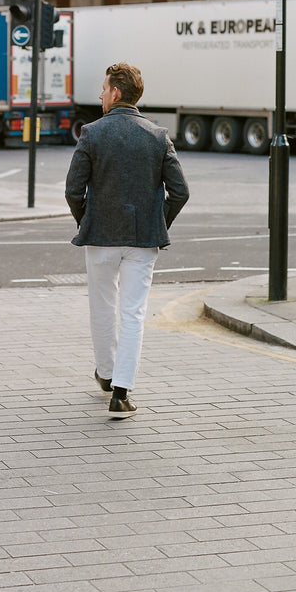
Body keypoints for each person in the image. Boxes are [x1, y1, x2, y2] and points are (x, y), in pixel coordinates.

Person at [65, 62, 190, 419]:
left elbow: (73, 190)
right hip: (142, 239)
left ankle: (105, 374)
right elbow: (179, 192)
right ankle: (121, 392)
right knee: (133, 312)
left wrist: (87, 219)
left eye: (103, 89)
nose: (100, 95)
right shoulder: (157, 135)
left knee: (102, 305)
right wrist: (156, 223)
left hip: (100, 236)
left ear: (115, 93)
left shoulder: (91, 133)